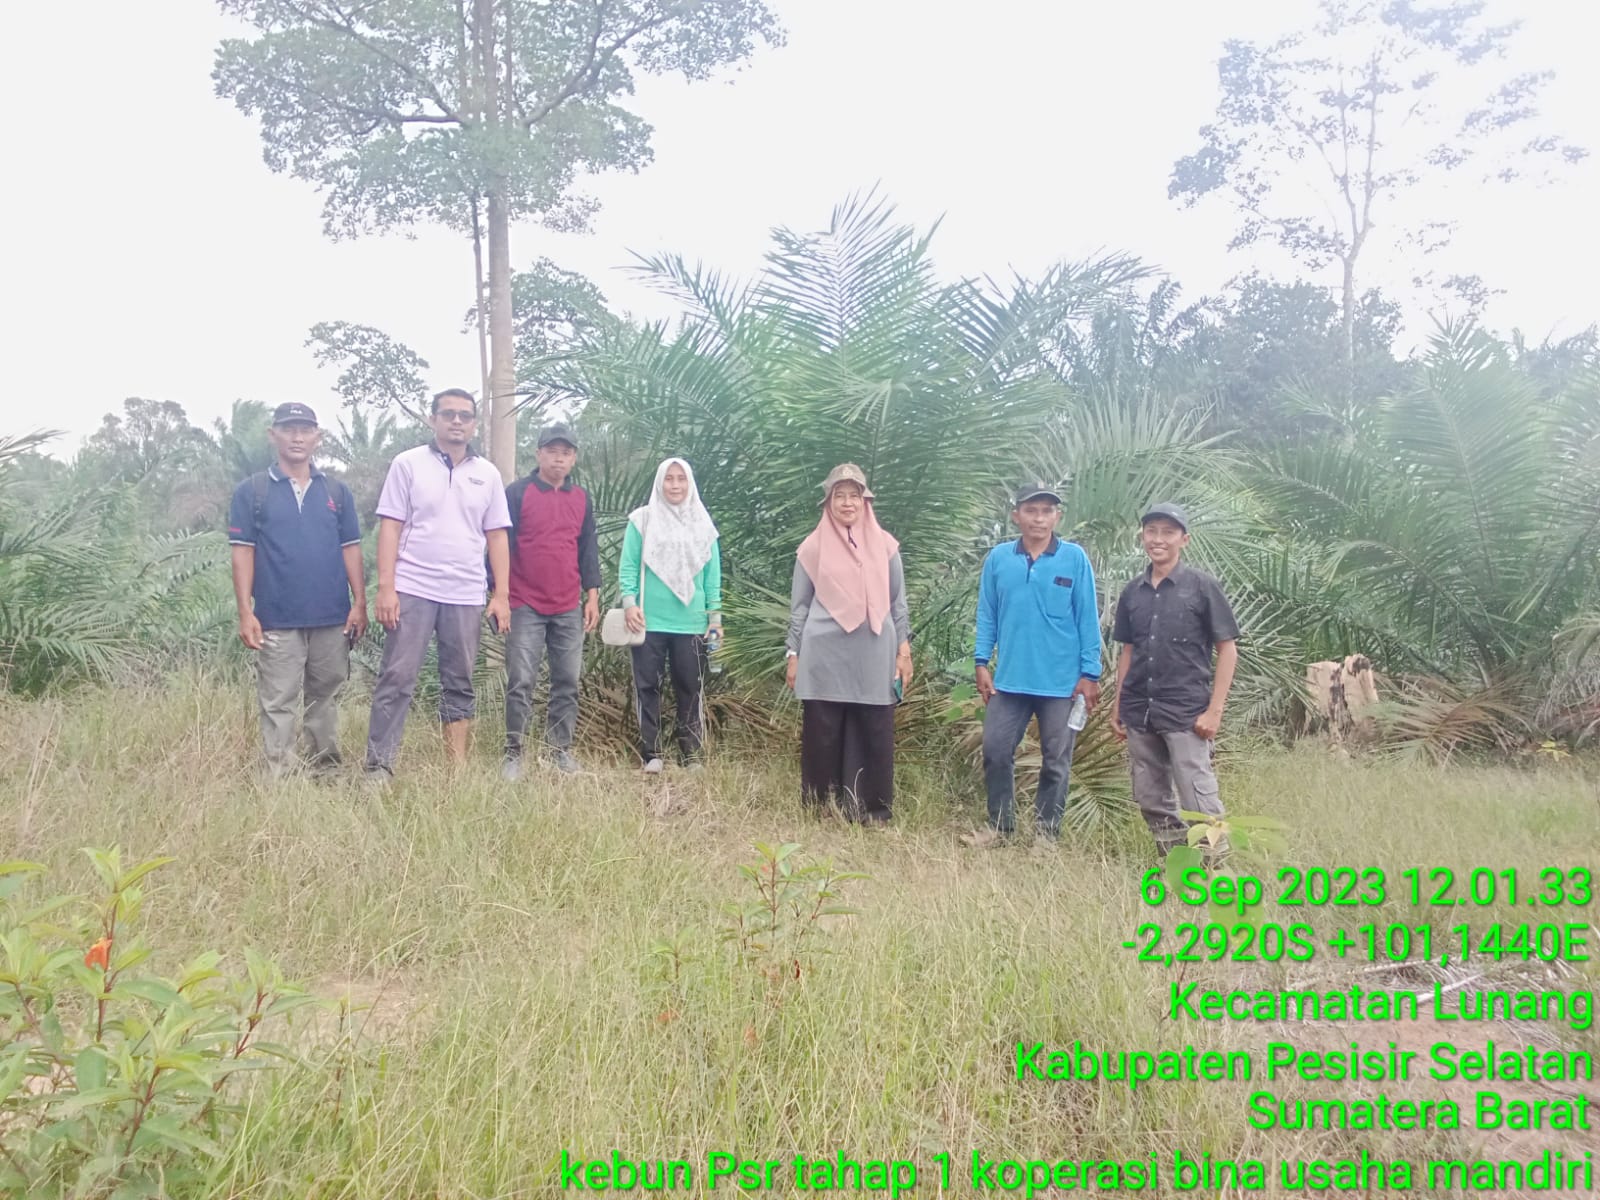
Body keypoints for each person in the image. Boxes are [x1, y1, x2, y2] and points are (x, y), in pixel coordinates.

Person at [363, 389, 511, 783]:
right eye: (448, 414)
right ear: (433, 419)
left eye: (465, 415)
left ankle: (456, 770)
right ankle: (379, 767)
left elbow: (497, 536)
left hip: (465, 592)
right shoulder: (407, 464)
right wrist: (386, 587)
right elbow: (390, 526)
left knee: (459, 680)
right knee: (397, 675)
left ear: (475, 423)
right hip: (412, 587)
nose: (457, 421)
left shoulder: (489, 474)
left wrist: (501, 596)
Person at [227, 402, 367, 779]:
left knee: (326, 698)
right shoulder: (252, 492)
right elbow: (242, 553)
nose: (297, 436)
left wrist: (360, 604)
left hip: (331, 616)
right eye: (289, 429)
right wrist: (246, 611)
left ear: (317, 438)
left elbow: (350, 548)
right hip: (277, 616)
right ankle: (280, 779)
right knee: (279, 701)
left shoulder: (336, 492)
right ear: (274, 435)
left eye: (305, 429)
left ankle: (326, 771)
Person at [961, 483, 1102, 849]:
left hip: (1061, 683)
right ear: (1016, 516)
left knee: (1056, 761)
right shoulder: (998, 559)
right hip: (1009, 681)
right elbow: (987, 613)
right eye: (1031, 510)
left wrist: (1091, 674)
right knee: (995, 750)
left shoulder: (1074, 559)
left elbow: (1088, 618)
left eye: (1046, 511)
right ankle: (1000, 827)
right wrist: (981, 661)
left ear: (1057, 516)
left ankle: (1045, 836)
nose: (1039, 518)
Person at [1110, 503, 1240, 857]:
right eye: (1152, 531)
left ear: (1184, 539)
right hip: (1140, 710)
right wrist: (1119, 706)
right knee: (1150, 795)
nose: (1158, 540)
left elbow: (1227, 650)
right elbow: (1128, 652)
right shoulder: (1132, 592)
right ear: (1142, 537)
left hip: (1186, 710)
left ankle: (1216, 866)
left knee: (1198, 794)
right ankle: (1176, 861)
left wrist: (1214, 712)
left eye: (1168, 533)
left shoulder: (1202, 587)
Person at [786, 463, 912, 824]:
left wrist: (904, 651)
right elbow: (800, 607)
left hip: (875, 650)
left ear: (865, 500)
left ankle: (871, 810)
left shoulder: (886, 546)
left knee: (873, 726)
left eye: (854, 495)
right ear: (828, 502)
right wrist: (792, 653)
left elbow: (898, 602)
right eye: (839, 495)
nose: (846, 503)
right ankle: (820, 806)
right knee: (822, 729)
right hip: (824, 650)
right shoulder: (812, 548)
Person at [501, 422, 601, 778]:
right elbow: (500, 548)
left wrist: (592, 596)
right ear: (539, 453)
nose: (559, 459)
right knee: (521, 680)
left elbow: (588, 548)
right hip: (524, 602)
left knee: (567, 681)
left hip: (568, 605)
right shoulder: (517, 493)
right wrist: (499, 596)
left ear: (574, 459)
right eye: (552, 452)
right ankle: (513, 752)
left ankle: (560, 750)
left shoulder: (582, 499)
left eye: (566, 453)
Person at [618, 457, 723, 773]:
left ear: (689, 483)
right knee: (647, 685)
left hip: (692, 621)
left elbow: (712, 576)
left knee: (690, 687)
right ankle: (651, 754)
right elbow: (629, 565)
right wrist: (629, 603)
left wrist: (714, 619)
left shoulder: (703, 524)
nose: (675, 485)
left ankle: (691, 754)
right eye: (669, 478)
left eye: (681, 479)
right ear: (660, 482)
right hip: (648, 619)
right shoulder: (642, 520)